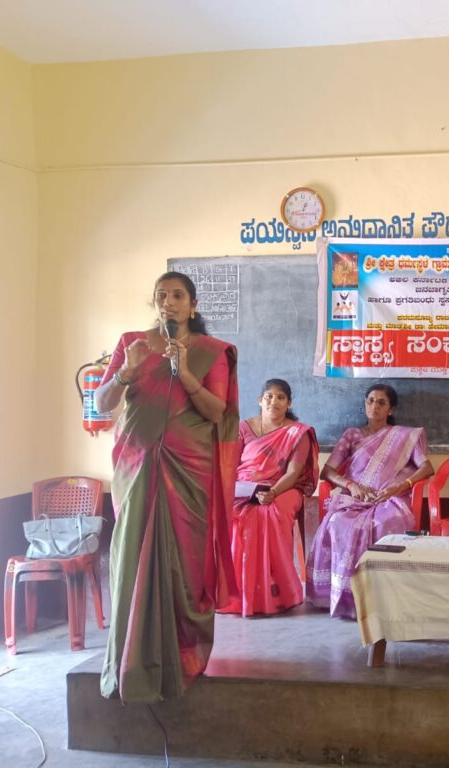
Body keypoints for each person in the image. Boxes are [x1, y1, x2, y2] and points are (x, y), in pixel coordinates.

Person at [95, 271, 238, 703]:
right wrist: (126, 371)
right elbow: (102, 404)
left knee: (186, 565)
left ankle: (182, 658)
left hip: (188, 471)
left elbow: (216, 412)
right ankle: (131, 660)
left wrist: (186, 373)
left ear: (193, 305)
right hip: (136, 467)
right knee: (131, 559)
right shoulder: (132, 344)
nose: (169, 302)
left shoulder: (212, 351)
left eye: (178, 295)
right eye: (162, 295)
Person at [306, 383, 434, 619]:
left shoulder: (404, 436)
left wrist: (400, 487)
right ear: (365, 404)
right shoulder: (352, 435)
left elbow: (426, 467)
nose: (375, 406)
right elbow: (328, 471)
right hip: (355, 498)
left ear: (391, 409)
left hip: (389, 498)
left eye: (381, 402)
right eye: (371, 400)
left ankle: (385, 595)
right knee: (337, 522)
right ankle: (345, 595)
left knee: (386, 522)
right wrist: (351, 485)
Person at [218, 379, 318, 617]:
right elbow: (230, 465)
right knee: (229, 513)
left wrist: (273, 492)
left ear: (289, 403)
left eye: (281, 397)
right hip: (244, 489)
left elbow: (293, 473)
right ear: (260, 400)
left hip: (282, 488)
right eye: (269, 396)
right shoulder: (243, 428)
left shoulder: (298, 432)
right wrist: (235, 490)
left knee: (269, 513)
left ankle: (277, 593)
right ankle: (234, 595)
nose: (274, 401)